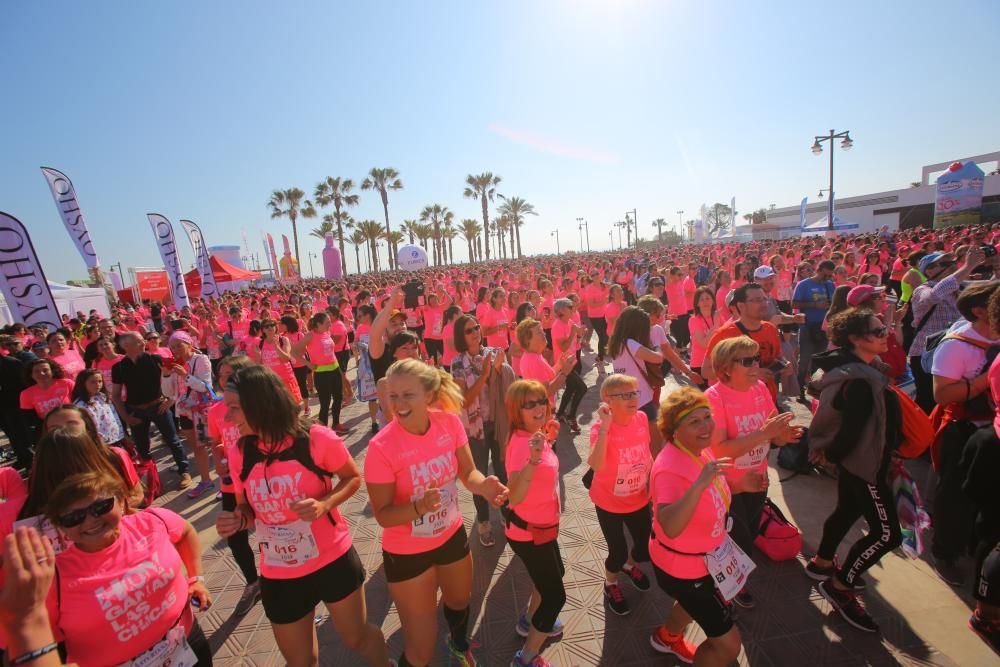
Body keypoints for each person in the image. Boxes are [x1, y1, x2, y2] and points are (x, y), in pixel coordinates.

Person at [216, 364, 389, 667]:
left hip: (332, 559)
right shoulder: (240, 452)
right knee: (301, 662)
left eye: (235, 408)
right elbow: (246, 508)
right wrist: (239, 519)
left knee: (357, 638)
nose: (228, 417)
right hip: (279, 571)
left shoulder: (316, 438)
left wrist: (324, 504)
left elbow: (352, 478)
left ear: (261, 403)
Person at [364, 359, 508, 667]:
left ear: (428, 395)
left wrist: (484, 486)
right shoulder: (381, 447)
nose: (399, 404)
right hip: (406, 554)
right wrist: (419, 506)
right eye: (393, 396)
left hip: (450, 535)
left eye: (408, 395)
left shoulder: (449, 423)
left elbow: (469, 472)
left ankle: (458, 643)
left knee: (459, 600)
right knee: (421, 650)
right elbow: (384, 515)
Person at [46, 468, 213, 665]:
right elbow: (45, 641)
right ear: (60, 528)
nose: (91, 520)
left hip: (185, 642)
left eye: (101, 506)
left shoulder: (153, 521)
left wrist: (197, 579)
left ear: (121, 500)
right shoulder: (51, 577)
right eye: (74, 518)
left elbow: (185, 533)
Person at [805, 308, 903, 633]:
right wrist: (833, 454)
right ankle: (841, 584)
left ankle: (821, 564)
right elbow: (850, 432)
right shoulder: (861, 381)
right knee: (887, 534)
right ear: (855, 339)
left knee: (846, 511)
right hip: (866, 466)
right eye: (877, 331)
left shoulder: (863, 370)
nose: (883, 334)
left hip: (858, 462)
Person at [647, 387, 744, 665]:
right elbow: (670, 525)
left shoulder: (697, 450)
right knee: (729, 647)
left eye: (707, 416)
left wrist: (740, 484)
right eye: (694, 421)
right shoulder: (669, 467)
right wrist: (700, 484)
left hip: (704, 560)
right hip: (685, 569)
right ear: (674, 431)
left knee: (689, 604)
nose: (706, 426)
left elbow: (712, 489)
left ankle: (667, 637)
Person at [705, 336, 801, 608]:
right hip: (727, 486)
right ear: (725, 368)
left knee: (746, 537)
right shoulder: (714, 398)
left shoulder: (759, 388)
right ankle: (726, 589)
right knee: (738, 541)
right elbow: (720, 450)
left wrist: (785, 436)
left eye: (756, 358)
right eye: (746, 360)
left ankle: (733, 582)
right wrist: (765, 433)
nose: (755, 365)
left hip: (758, 481)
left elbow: (773, 435)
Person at [927, 281, 1000, 586]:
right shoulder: (956, 344)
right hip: (963, 430)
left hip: (991, 432)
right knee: (955, 495)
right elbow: (942, 396)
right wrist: (989, 378)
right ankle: (945, 553)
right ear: (981, 311)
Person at [504, 379, 565, 667]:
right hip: (529, 533)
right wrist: (532, 459)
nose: (540, 406)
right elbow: (513, 494)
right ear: (518, 410)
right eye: (531, 404)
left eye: (542, 400)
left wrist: (548, 441)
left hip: (541, 528)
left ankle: (529, 621)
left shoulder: (533, 434)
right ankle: (526, 657)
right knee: (555, 597)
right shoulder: (521, 446)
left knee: (552, 576)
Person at [588, 374, 653, 617]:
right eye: (625, 395)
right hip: (609, 503)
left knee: (644, 548)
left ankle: (629, 566)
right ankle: (611, 583)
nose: (633, 398)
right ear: (608, 400)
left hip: (638, 499)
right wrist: (605, 426)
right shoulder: (599, 428)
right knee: (616, 552)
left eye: (635, 393)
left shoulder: (642, 418)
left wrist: (655, 485)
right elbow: (595, 464)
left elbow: (646, 454)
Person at [448, 315, 514, 547]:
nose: (475, 331)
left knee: (503, 472)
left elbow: (508, 382)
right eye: (469, 330)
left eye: (476, 327)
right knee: (479, 479)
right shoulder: (457, 364)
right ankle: (484, 522)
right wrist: (485, 374)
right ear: (460, 336)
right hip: (475, 430)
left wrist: (500, 369)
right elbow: (463, 402)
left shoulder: (493, 353)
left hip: (497, 423)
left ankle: (507, 514)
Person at [207, 354, 261, 617]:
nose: (224, 380)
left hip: (263, 480)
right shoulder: (216, 411)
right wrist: (218, 458)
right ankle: (254, 581)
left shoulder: (260, 405)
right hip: (233, 484)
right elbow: (217, 441)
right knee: (235, 537)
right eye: (221, 376)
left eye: (230, 375)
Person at [909, 247, 987, 413]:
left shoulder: (961, 287)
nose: (952, 265)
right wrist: (966, 268)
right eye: (945, 263)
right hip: (926, 353)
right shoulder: (921, 290)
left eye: (953, 262)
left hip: (952, 353)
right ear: (929, 271)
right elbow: (935, 296)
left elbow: (990, 288)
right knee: (929, 401)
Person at [110, 331, 191, 488]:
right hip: (136, 411)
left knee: (173, 441)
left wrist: (170, 400)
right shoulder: (119, 367)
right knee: (142, 448)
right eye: (140, 341)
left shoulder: (155, 359)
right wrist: (126, 418)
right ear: (126, 346)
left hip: (158, 406)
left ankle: (184, 471)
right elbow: (116, 396)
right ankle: (150, 481)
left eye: (144, 340)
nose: (144, 343)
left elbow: (176, 378)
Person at [703, 283, 786, 401]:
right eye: (757, 300)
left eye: (764, 299)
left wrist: (784, 365)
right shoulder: (724, 335)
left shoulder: (770, 329)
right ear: (741, 306)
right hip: (736, 404)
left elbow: (778, 357)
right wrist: (750, 373)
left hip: (767, 400)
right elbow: (706, 371)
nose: (763, 304)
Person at [164, 331, 217, 498]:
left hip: (202, 410)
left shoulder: (200, 360)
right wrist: (166, 374)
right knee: (197, 447)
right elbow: (169, 392)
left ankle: (227, 481)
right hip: (184, 411)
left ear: (189, 344)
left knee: (213, 445)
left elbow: (205, 386)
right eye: (172, 347)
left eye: (179, 345)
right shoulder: (175, 364)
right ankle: (206, 481)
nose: (176, 350)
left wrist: (185, 375)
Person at [292, 312, 347, 434]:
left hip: (335, 369)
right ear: (318, 324)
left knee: (338, 398)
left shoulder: (327, 332)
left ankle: (336, 424)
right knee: (325, 402)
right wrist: (308, 363)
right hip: (322, 374)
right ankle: (323, 430)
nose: (330, 325)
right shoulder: (310, 336)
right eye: (327, 323)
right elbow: (294, 352)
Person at [793, 259, 836, 394]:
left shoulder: (829, 285)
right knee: (804, 360)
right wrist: (814, 305)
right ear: (818, 270)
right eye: (825, 275)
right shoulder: (804, 285)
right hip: (808, 327)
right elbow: (794, 304)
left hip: (823, 328)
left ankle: (815, 388)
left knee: (819, 360)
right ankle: (799, 389)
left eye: (830, 275)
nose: (827, 278)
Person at [550, 297, 587, 433]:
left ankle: (560, 414)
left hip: (571, 362)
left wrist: (580, 333)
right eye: (569, 307)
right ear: (560, 310)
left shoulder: (569, 321)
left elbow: (576, 338)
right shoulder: (557, 326)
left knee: (571, 389)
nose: (573, 308)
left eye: (572, 306)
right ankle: (571, 417)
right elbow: (564, 347)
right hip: (563, 365)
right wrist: (573, 332)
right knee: (582, 388)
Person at [70, 368, 127, 448]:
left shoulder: (103, 397)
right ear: (82, 383)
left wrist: (122, 434)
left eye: (100, 381)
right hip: (100, 444)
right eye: (93, 382)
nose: (98, 384)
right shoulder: (80, 405)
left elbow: (114, 417)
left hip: (116, 438)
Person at [18, 359, 73, 441]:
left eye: (45, 370)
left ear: (52, 371)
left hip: (72, 426)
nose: (42, 373)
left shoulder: (67, 384)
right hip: (49, 432)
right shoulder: (26, 394)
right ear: (31, 375)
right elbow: (30, 420)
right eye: (36, 371)